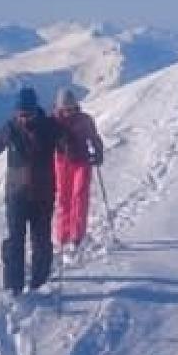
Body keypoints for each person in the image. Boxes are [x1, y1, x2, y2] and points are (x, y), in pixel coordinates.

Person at [0, 88, 64, 295]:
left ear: (35, 111)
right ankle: (13, 286)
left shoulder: (49, 127)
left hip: (43, 194)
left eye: (26, 114)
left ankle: (40, 282)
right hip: (16, 194)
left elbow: (67, 145)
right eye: (19, 114)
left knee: (41, 239)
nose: (23, 119)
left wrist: (69, 145)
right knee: (15, 240)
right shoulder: (10, 128)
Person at [52, 89, 105, 262]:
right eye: (65, 109)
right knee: (63, 198)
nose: (68, 112)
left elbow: (94, 138)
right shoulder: (54, 121)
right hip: (62, 162)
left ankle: (77, 235)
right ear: (59, 108)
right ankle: (62, 235)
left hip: (81, 161)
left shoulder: (85, 120)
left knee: (79, 196)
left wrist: (98, 152)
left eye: (71, 108)